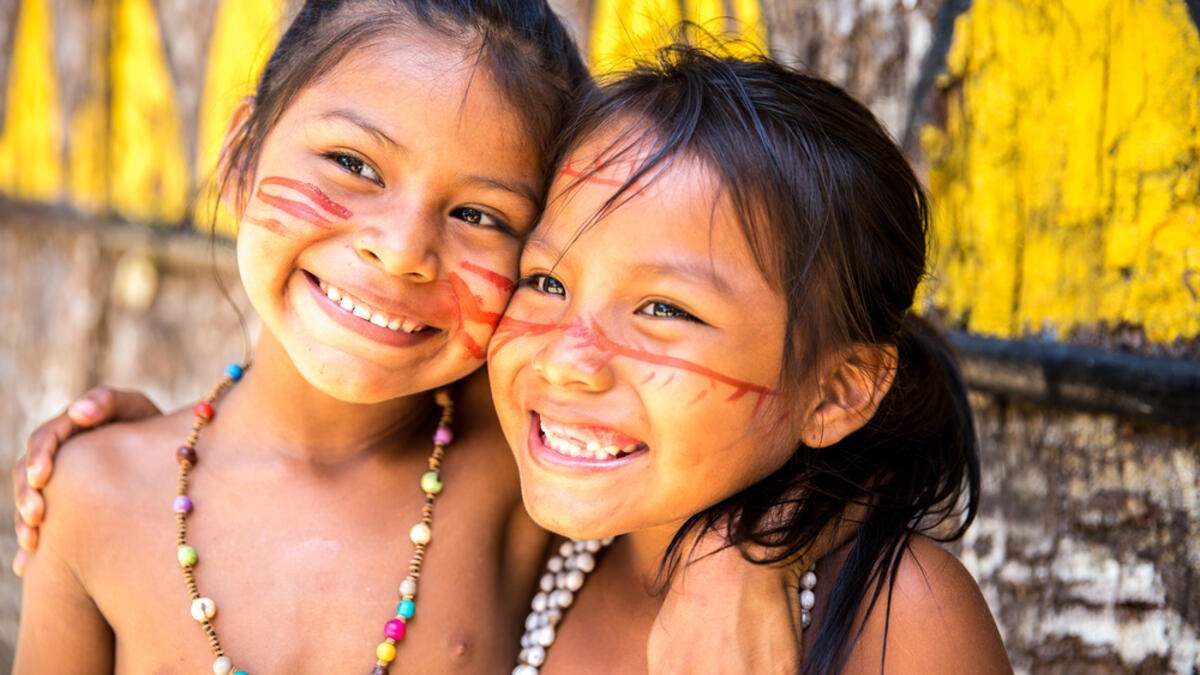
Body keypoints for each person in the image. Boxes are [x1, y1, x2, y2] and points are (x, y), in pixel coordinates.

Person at [11, 4, 802, 673]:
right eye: (352, 163)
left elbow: (827, 431)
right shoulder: (93, 493)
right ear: (241, 154)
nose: (400, 249)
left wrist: (744, 555)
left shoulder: (534, 463)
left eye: (479, 215)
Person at [483, 46, 1011, 672]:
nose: (566, 359)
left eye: (665, 310)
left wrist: (749, 552)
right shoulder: (506, 531)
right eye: (546, 282)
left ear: (835, 392)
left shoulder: (905, 616)